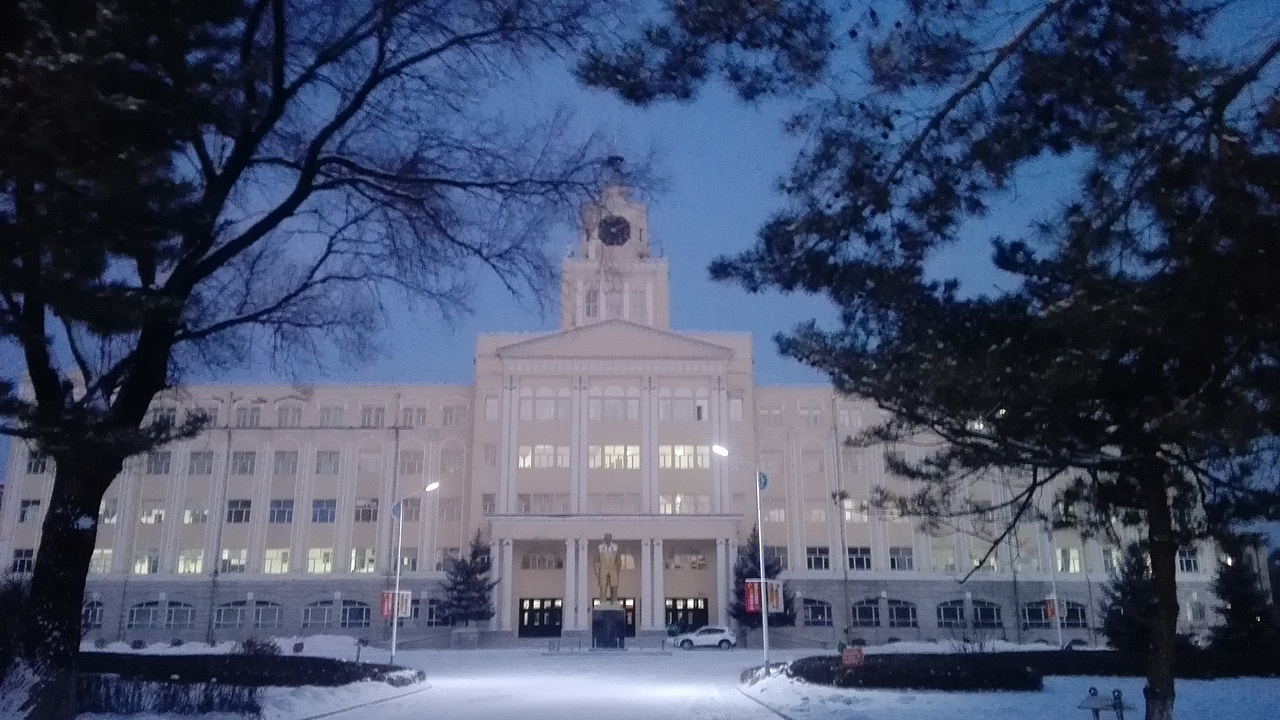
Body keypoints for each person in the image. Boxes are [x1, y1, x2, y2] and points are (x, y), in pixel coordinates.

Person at [595, 534, 621, 602]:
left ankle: (614, 601)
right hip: (603, 570)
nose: (607, 539)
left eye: (609, 538)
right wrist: (597, 571)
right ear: (604, 539)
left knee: (614, 587)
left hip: (613, 570)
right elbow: (596, 561)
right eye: (606, 538)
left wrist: (617, 571)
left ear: (611, 539)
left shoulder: (615, 548)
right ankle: (603, 602)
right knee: (603, 586)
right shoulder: (600, 548)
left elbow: (619, 561)